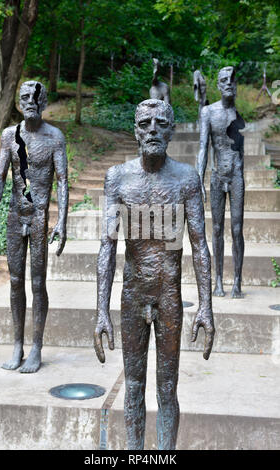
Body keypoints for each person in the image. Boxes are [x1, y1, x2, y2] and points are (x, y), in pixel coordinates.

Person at [94, 99, 214, 450]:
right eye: (145, 123)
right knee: (133, 387)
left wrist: (206, 306)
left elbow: (200, 246)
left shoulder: (186, 179)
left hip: (169, 297)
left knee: (167, 388)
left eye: (161, 123)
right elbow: (107, 246)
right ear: (135, 129)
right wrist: (101, 309)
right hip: (132, 296)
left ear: (172, 130)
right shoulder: (118, 178)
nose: (152, 130)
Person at [0, 81, 68, 373]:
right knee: (16, 282)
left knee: (37, 283)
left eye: (36, 97)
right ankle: (17, 345)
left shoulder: (55, 137)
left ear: (44, 102)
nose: (30, 101)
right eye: (25, 97)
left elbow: (63, 181)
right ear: (19, 101)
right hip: (16, 216)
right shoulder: (9, 136)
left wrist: (63, 221)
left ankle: (36, 347)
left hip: (40, 216)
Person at [196, 66, 245, 298]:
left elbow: (239, 151)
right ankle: (217, 281)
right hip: (217, 177)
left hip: (236, 176)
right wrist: (199, 179)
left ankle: (237, 281)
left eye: (231, 80)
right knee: (216, 229)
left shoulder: (237, 114)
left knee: (236, 229)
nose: (228, 83)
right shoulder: (208, 112)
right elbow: (203, 149)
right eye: (223, 80)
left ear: (235, 85)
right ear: (218, 85)